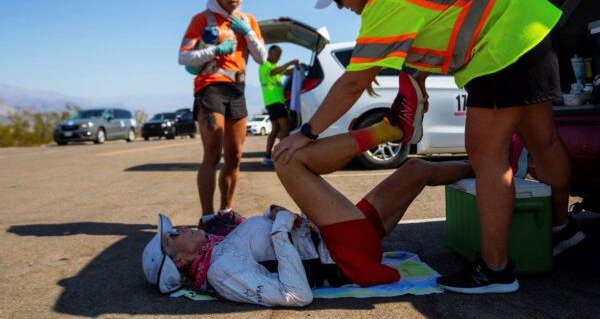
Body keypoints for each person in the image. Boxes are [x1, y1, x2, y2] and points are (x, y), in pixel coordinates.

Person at [273, 0, 585, 294]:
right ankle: (562, 226)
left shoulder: (385, 2)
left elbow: (353, 83)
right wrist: (416, 78)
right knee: (544, 141)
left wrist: (307, 131)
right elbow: (440, 20)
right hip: (532, 24)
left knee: (488, 159)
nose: (342, 6)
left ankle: (496, 271)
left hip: (499, 47)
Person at [142, 120, 474, 306]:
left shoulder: (216, 251)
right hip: (344, 252)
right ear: (181, 262)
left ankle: (488, 168)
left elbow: (265, 250)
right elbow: (295, 295)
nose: (180, 228)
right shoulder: (221, 273)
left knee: (414, 170)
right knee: (287, 159)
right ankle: (386, 131)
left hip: (338, 238)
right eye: (173, 237)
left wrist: (275, 221)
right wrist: (279, 229)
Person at [178, 0, 267, 232]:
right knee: (213, 152)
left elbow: (262, 57)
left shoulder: (248, 20)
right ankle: (207, 218)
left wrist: (247, 33)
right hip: (210, 86)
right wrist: (215, 49)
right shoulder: (201, 19)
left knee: (235, 155)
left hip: (237, 89)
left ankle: (226, 211)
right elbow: (183, 57)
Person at [258, 45, 298, 166]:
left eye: (280, 56)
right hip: (274, 101)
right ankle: (281, 156)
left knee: (275, 130)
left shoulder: (275, 66)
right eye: (277, 55)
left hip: (274, 102)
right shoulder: (265, 66)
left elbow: (285, 72)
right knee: (285, 127)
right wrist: (290, 62)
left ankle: (267, 157)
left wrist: (297, 69)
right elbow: (274, 72)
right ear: (270, 53)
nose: (278, 58)